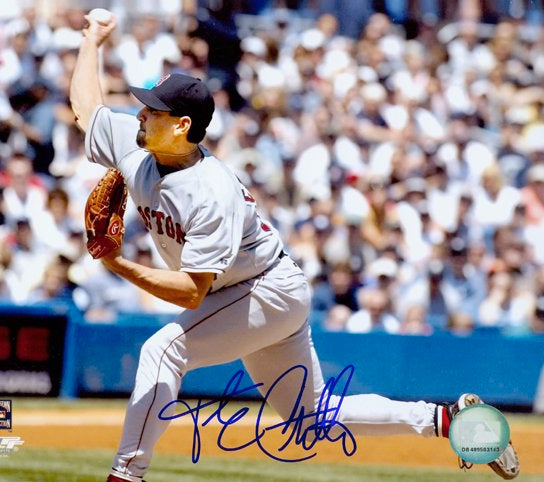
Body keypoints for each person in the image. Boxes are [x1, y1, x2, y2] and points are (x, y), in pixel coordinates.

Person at [69, 13, 519, 482]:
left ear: (182, 126)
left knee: (163, 350)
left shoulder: (210, 190)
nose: (140, 115)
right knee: (312, 419)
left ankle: (126, 474)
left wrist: (117, 263)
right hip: (243, 292)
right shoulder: (137, 147)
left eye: (153, 110)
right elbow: (87, 110)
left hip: (266, 290)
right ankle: (445, 418)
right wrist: (92, 41)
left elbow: (190, 292)